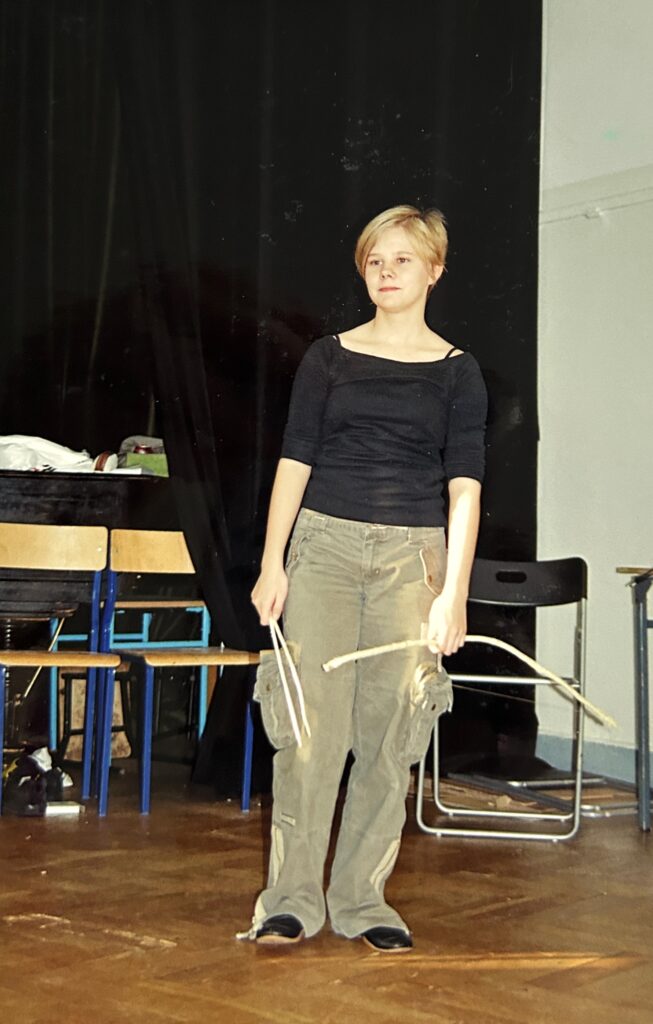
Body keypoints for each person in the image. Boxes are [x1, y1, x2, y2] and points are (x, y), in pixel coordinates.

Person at [248, 204, 487, 951]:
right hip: (322, 550)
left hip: (412, 562)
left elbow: (465, 488)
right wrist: (272, 562)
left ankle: (361, 900)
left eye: (401, 260)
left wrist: (453, 593)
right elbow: (295, 459)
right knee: (308, 734)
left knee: (390, 738)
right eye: (374, 261)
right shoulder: (328, 357)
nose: (386, 273)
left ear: (433, 270)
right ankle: (290, 900)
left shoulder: (458, 371)